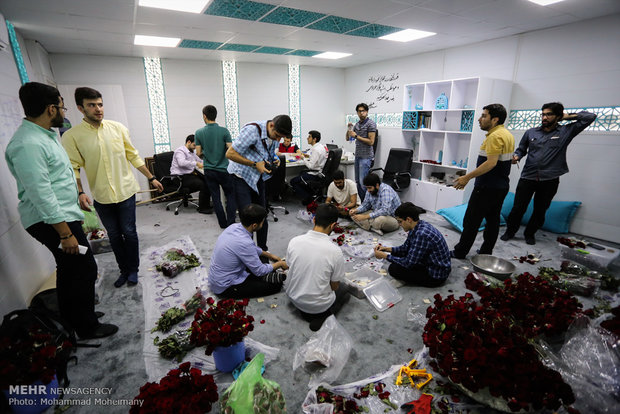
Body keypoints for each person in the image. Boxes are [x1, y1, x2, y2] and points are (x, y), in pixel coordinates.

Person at [5, 82, 117, 339]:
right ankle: (87, 326)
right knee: (83, 268)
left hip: (62, 215)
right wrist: (65, 234)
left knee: (70, 270)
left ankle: (75, 318)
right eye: (62, 107)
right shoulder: (29, 144)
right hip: (53, 221)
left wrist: (77, 195)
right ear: (50, 108)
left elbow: (57, 178)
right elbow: (41, 194)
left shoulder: (43, 135)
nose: (64, 113)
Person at [62, 87, 164, 288]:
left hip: (126, 191)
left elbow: (133, 155)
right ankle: (123, 270)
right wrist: (80, 192)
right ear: (80, 108)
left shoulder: (118, 128)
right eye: (92, 105)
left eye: (100, 104)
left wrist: (151, 178)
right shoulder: (72, 136)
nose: (98, 109)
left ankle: (133, 269)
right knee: (115, 235)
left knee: (130, 232)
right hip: (102, 196)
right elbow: (73, 168)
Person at [501, 104, 597, 245]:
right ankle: (510, 232)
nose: (544, 117)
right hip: (528, 176)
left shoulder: (566, 131)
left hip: (549, 179)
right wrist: (516, 156)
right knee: (518, 208)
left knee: (540, 210)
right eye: (543, 114)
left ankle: (530, 234)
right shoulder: (531, 132)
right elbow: (521, 149)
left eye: (549, 114)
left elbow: (591, 117)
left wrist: (568, 116)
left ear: (558, 116)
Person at [451, 103, 514, 259]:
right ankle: (486, 253)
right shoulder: (507, 134)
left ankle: (460, 252)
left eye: (484, 116)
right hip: (501, 186)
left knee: (471, 220)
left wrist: (467, 177)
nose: (479, 119)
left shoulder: (495, 136)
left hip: (486, 187)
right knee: (493, 220)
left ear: (495, 119)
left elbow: (491, 163)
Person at [226, 115, 292, 250]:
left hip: (258, 177)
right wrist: (254, 164)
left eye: (281, 137)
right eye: (277, 135)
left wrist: (275, 158)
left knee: (262, 215)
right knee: (248, 219)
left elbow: (269, 152)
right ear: (271, 125)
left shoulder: (274, 135)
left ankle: (262, 251)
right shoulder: (252, 131)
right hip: (241, 176)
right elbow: (230, 154)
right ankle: (248, 254)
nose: (278, 140)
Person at [285, 203, 347, 331]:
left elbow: (290, 267)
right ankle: (323, 317)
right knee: (344, 288)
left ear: (313, 219)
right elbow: (334, 286)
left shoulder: (294, 241)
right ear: (333, 226)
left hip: (294, 299)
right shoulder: (335, 251)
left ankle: (313, 312)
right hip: (317, 308)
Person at [208, 204, 288, 298]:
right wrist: (280, 264)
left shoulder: (234, 227)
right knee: (275, 286)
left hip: (219, 277)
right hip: (225, 287)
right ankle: (267, 277)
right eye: (262, 222)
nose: (263, 224)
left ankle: (267, 275)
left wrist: (270, 255)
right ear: (254, 225)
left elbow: (253, 249)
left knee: (262, 256)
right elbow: (259, 270)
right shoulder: (245, 243)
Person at [373, 202, 451, 287]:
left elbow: (408, 263)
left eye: (400, 222)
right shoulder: (418, 225)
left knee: (394, 269)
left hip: (436, 276)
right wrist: (386, 249)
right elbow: (405, 247)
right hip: (430, 262)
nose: (399, 225)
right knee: (401, 255)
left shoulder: (421, 234)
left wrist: (385, 256)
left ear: (408, 219)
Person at [195, 105, 236, 228]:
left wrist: (207, 154)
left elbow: (198, 153)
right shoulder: (224, 131)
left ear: (204, 116)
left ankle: (222, 223)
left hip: (209, 170)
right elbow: (231, 150)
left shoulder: (199, 132)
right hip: (224, 169)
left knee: (216, 197)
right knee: (230, 195)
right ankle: (231, 223)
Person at [170, 134, 212, 214]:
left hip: (188, 176)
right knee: (202, 184)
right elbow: (181, 163)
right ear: (188, 142)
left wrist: (210, 163)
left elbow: (200, 161)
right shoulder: (180, 151)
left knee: (208, 181)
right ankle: (203, 208)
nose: (195, 147)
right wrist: (196, 163)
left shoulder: (191, 152)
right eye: (194, 145)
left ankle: (206, 205)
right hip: (179, 177)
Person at [346, 103, 376, 201]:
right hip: (358, 156)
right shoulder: (357, 124)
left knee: (364, 184)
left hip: (366, 157)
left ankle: (368, 204)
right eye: (359, 111)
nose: (361, 113)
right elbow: (348, 138)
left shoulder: (371, 124)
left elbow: (371, 142)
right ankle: (364, 203)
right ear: (357, 113)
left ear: (367, 112)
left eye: (363, 111)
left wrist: (356, 136)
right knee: (358, 182)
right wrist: (349, 129)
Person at [290, 130, 328, 205]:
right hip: (319, 172)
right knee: (300, 175)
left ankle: (308, 197)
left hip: (314, 174)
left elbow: (311, 166)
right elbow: (316, 159)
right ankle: (311, 194)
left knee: (292, 181)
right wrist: (309, 156)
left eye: (309, 137)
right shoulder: (321, 147)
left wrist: (302, 158)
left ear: (314, 139)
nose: (307, 138)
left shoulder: (316, 149)